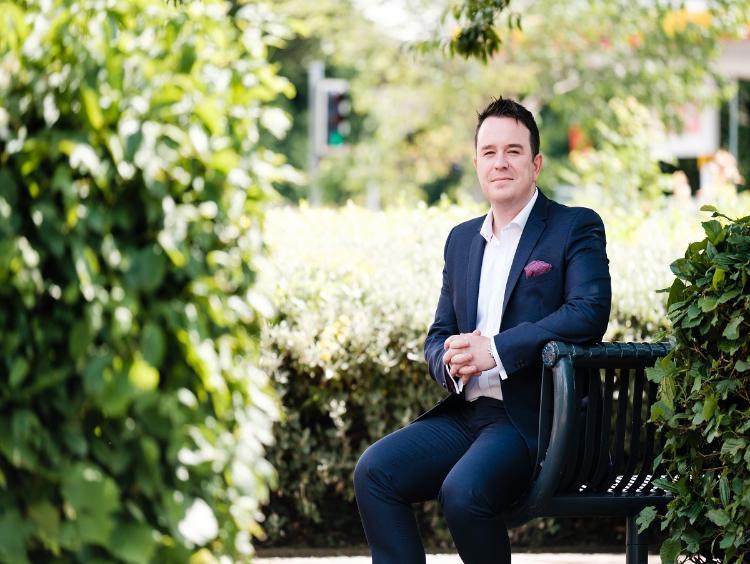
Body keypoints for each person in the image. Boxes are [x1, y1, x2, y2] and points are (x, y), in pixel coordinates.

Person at [354, 97, 612, 563]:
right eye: (489, 152)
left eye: (513, 151)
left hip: (531, 418)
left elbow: (587, 313)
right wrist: (451, 359)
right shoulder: (460, 239)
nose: (500, 162)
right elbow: (438, 333)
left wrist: (495, 349)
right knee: (375, 471)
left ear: (535, 164)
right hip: (467, 413)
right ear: (476, 163)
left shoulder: (574, 226)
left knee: (463, 491)